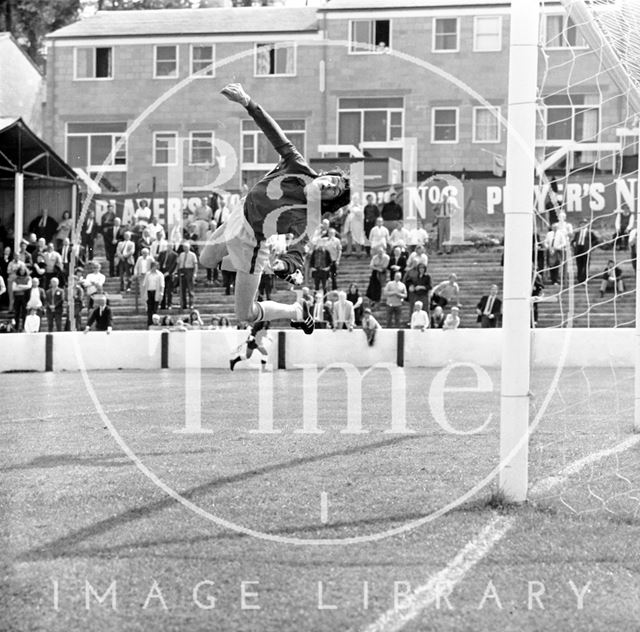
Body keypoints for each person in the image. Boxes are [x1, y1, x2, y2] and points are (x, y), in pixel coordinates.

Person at [200, 84, 350, 336]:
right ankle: (263, 268)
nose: (329, 185)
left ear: (328, 200)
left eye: (333, 190)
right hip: (239, 215)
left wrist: (286, 267)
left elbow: (299, 249)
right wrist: (248, 102)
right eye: (333, 179)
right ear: (325, 175)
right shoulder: (298, 165)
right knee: (205, 260)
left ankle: (296, 312)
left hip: (251, 242)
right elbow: (275, 134)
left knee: (245, 315)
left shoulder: (309, 216)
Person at [571, 218, 598, 284]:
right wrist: (573, 244)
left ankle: (585, 279)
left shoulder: (590, 232)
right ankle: (579, 279)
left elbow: (596, 240)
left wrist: (591, 246)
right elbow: (573, 241)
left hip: (586, 249)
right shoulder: (577, 233)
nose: (583, 225)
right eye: (581, 224)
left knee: (585, 265)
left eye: (584, 224)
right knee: (579, 265)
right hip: (578, 249)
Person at [142, 261, 165, 327]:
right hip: (149, 292)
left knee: (155, 309)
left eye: (156, 266)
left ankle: (155, 323)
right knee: (149, 309)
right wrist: (144, 294)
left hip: (156, 292)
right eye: (154, 266)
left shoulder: (160, 274)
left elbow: (162, 285)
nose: (155, 268)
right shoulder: (148, 274)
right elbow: (144, 284)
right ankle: (149, 324)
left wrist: (161, 293)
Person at [177, 242, 198, 309]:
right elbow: (178, 263)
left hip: (189, 271)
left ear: (189, 247)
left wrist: (195, 273)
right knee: (182, 289)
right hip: (182, 270)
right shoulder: (181, 254)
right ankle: (183, 304)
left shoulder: (192, 255)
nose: (185, 248)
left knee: (190, 289)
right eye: (184, 247)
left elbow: (195, 265)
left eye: (186, 247)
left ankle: (191, 304)